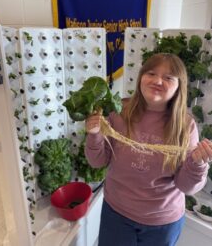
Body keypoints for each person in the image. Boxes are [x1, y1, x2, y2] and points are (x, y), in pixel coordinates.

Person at [85, 53, 212, 246]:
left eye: (168, 77)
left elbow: (185, 186)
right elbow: (98, 161)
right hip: (116, 213)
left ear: (179, 86)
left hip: (162, 222)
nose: (157, 81)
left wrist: (197, 164)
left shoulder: (185, 126)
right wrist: (94, 133)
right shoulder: (119, 112)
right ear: (141, 78)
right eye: (151, 73)